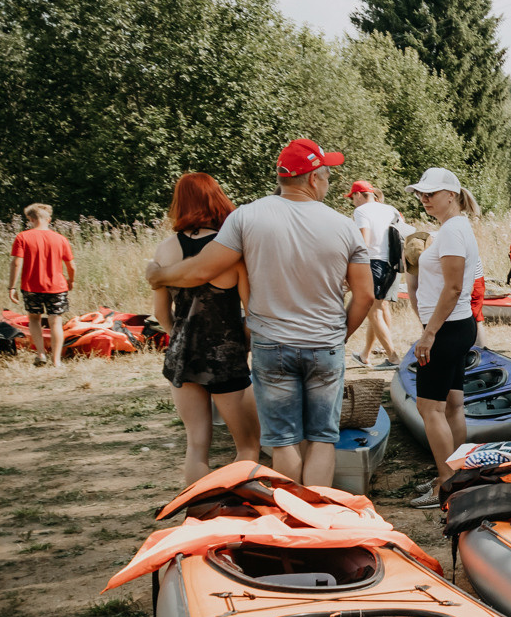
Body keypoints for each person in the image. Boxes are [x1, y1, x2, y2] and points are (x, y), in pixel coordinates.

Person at [146, 138, 374, 486]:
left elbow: (201, 270)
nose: (329, 182)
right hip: (324, 344)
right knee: (322, 439)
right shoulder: (343, 226)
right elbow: (366, 295)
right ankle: (317, 516)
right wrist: (341, 335)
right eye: (327, 175)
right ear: (313, 178)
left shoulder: (246, 216)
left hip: (273, 345)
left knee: (283, 442)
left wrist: (159, 275)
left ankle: (288, 515)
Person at [152, 174, 259, 482]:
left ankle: (199, 514)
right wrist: (246, 344)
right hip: (226, 357)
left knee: (196, 446)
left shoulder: (165, 251)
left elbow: (161, 312)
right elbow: (251, 312)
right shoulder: (229, 250)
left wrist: (181, 337)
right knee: (248, 446)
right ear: (217, 199)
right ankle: (239, 512)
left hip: (182, 357)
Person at [403, 167, 483, 505]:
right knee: (452, 404)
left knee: (428, 407)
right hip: (459, 325)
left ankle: (446, 484)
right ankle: (453, 475)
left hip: (446, 329)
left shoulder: (451, 232)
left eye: (431, 193)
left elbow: (452, 288)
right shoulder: (456, 228)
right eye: (421, 193)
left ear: (451, 194)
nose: (424, 199)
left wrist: (429, 333)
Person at [7, 202, 74, 367]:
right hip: (57, 286)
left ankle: (41, 354)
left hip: (31, 286)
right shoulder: (61, 239)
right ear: (48, 219)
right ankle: (56, 361)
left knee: (34, 319)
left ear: (30, 219)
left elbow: (16, 263)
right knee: (56, 322)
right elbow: (71, 265)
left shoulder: (22, 237)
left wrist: (12, 287)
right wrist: (71, 281)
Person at [348, 181, 405, 369]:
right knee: (381, 307)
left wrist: (352, 268)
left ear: (358, 195)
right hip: (395, 263)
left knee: (373, 311)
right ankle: (365, 354)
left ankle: (393, 357)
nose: (353, 202)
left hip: (374, 262)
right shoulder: (391, 209)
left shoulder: (361, 212)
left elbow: (363, 240)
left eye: (352, 198)